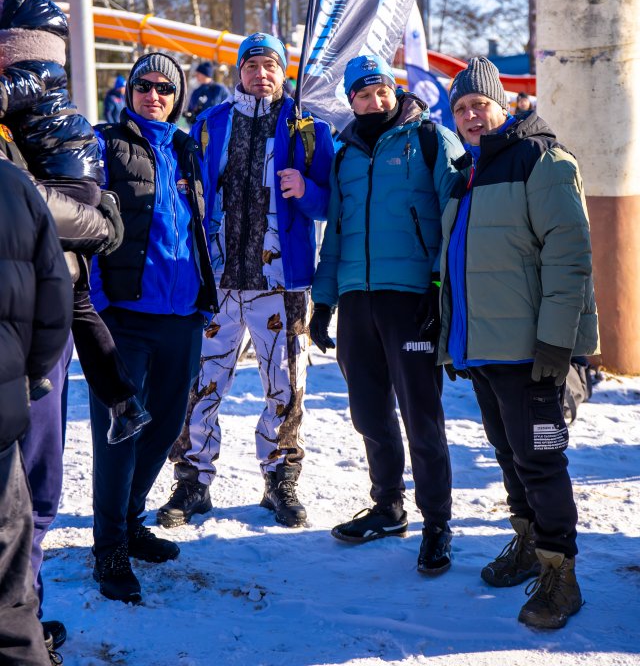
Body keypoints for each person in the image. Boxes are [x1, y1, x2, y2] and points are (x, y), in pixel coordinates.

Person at [440, 56, 598, 629]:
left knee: (540, 461)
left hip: (532, 350)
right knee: (509, 454)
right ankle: (529, 543)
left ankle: (561, 574)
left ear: (502, 105)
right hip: (486, 348)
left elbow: (569, 255)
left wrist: (557, 343)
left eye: (479, 104)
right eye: (461, 108)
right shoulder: (468, 171)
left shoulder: (542, 160)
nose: (470, 115)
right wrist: (454, 337)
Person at [158, 32, 333, 529]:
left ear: (283, 71)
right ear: (239, 72)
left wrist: (306, 189)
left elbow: (330, 203)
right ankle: (192, 480)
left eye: (270, 65)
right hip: (217, 281)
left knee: (286, 387)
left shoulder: (307, 128)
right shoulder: (211, 124)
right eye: (252, 65)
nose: (261, 74)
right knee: (200, 384)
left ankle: (280, 478)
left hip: (281, 281)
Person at [309, 55, 464, 575]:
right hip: (357, 298)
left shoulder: (430, 139)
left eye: (382, 91)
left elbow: (455, 218)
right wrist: (324, 301)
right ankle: (388, 507)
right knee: (369, 412)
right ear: (351, 101)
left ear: (394, 91)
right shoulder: (345, 155)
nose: (375, 101)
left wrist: (438, 286)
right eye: (363, 94)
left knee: (421, 415)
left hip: (412, 298)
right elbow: (336, 234)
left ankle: (437, 523)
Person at [89, 51, 217, 603]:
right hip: (124, 319)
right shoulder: (104, 143)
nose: (154, 95)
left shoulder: (188, 149)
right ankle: (109, 547)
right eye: (145, 85)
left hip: (182, 317)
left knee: (163, 429)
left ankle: (131, 520)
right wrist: (95, 303)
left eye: (166, 88)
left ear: (178, 96)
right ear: (130, 90)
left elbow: (201, 225)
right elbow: (86, 222)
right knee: (119, 434)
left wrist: (204, 300)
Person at [0, 0, 148, 443]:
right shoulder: (51, 78)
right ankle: (124, 401)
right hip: (78, 185)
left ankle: (35, 372)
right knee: (78, 302)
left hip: (64, 186)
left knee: (55, 288)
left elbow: (4, 93)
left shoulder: (36, 71)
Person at [0, 155, 73, 666]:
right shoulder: (12, 182)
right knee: (9, 584)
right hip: (4, 413)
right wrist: (26, 376)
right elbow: (55, 300)